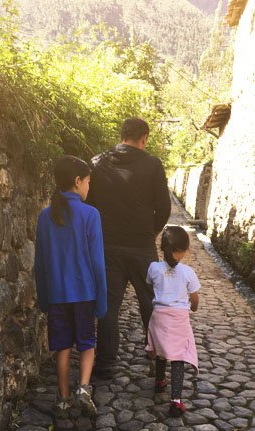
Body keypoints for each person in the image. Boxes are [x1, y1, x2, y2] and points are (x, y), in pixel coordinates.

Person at [88, 117, 171, 379]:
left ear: (121, 134)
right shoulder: (152, 165)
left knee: (109, 306)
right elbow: (165, 207)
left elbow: (89, 204)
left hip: (107, 246)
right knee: (151, 303)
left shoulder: (97, 163)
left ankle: (105, 364)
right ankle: (156, 357)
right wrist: (151, 232)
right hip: (141, 246)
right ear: (143, 138)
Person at [34, 155, 107, 418]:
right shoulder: (91, 215)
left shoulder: (45, 216)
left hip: (56, 294)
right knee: (87, 343)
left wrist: (43, 297)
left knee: (62, 346)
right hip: (85, 293)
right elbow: (97, 261)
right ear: (77, 182)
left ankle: (63, 398)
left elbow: (39, 263)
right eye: (88, 181)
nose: (89, 187)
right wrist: (102, 297)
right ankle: (84, 389)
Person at [145, 225, 200, 417]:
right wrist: (193, 308)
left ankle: (160, 381)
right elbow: (194, 299)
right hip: (178, 318)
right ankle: (176, 401)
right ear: (184, 250)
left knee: (161, 350)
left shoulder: (154, 268)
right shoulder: (188, 272)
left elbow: (149, 284)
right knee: (178, 356)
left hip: (159, 315)